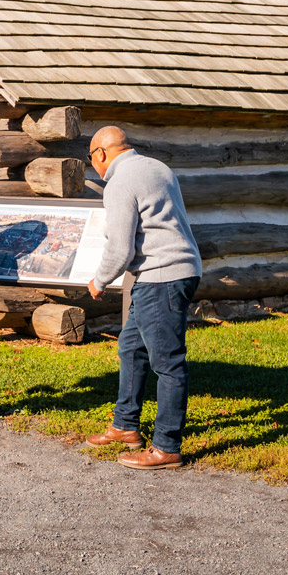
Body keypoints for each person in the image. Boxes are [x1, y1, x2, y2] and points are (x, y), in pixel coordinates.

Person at [86, 126, 202, 469]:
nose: (94, 166)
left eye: (91, 158)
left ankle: (166, 446)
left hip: (160, 275)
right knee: (131, 347)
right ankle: (125, 426)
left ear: (100, 154)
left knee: (167, 362)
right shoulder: (157, 167)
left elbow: (120, 248)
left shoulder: (120, 181)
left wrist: (99, 281)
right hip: (179, 268)